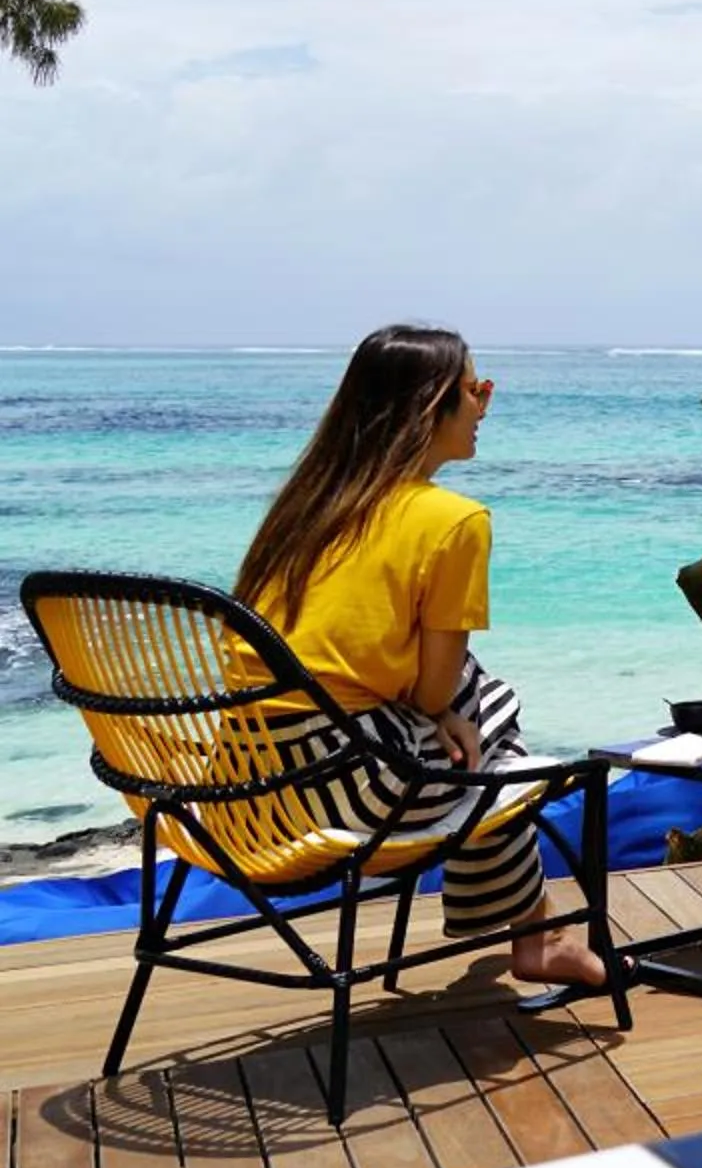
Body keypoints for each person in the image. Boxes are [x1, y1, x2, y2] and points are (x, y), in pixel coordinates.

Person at [234, 324, 610, 992]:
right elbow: (434, 692)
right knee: (491, 711)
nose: (485, 404)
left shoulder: (307, 507)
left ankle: (538, 931)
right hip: (349, 794)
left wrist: (439, 709)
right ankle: (539, 936)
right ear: (432, 402)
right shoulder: (453, 521)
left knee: (475, 706)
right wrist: (440, 712)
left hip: (244, 786)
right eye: (476, 388)